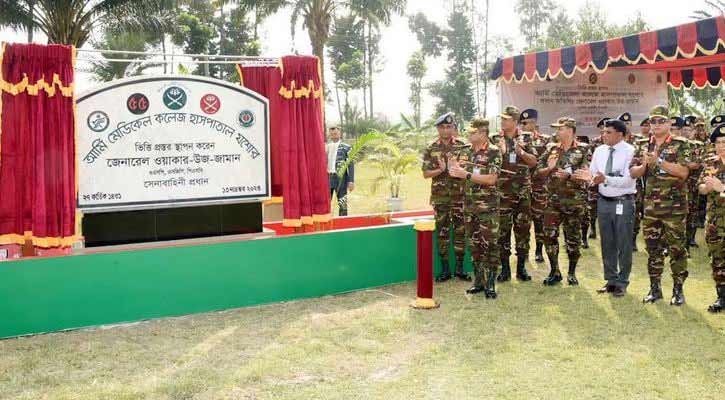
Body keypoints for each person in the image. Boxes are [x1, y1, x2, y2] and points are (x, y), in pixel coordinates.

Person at [630, 105, 691, 306]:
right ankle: (655, 288)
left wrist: (659, 162)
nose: (655, 125)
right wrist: (645, 165)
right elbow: (633, 173)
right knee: (653, 249)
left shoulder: (681, 144)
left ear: (669, 123)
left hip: (674, 209)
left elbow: (683, 172)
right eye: (652, 121)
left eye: (660, 121)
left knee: (677, 250)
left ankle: (678, 290)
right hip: (650, 208)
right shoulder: (641, 144)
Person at [448, 119, 502, 297]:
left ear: (483, 133)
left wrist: (467, 174)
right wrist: (452, 168)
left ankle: (491, 283)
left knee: (490, 245)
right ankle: (479, 281)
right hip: (469, 206)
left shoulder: (494, 152)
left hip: (488, 207)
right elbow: (455, 173)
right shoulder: (464, 151)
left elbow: (491, 179)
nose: (469, 135)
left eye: (472, 132)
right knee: (474, 244)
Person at [535, 117, 590, 286]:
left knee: (572, 239)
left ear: (571, 130)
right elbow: (538, 172)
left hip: (574, 202)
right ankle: (555, 271)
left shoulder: (583, 150)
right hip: (552, 201)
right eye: (556, 128)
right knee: (549, 235)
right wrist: (550, 168)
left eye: (560, 128)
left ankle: (572, 273)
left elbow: (586, 176)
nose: (557, 131)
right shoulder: (551, 148)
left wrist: (569, 176)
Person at [587, 119, 637, 297]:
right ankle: (611, 280)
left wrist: (606, 179)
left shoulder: (630, 151)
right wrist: (591, 178)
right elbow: (593, 171)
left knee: (623, 242)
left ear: (620, 135)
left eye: (608, 132)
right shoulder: (599, 151)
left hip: (623, 201)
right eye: (603, 132)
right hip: (603, 201)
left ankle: (622, 281)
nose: (604, 135)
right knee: (607, 242)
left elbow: (628, 180)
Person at [491, 105, 538, 282]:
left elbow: (533, 162)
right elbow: (489, 164)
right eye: (501, 118)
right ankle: (504, 269)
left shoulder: (526, 137)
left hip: (522, 193)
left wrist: (520, 151)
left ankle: (521, 268)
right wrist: (501, 153)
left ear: (515, 121)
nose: (502, 121)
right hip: (502, 193)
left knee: (523, 230)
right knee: (502, 231)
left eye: (506, 119)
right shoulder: (495, 139)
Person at [422, 112, 471, 282]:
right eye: (442, 127)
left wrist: (457, 167)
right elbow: (426, 173)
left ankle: (460, 268)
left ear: (453, 128)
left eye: (449, 126)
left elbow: (468, 169)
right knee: (442, 233)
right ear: (438, 128)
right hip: (440, 198)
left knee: (460, 231)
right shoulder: (431, 148)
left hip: (459, 197)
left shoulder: (463, 146)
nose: (446, 130)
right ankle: (444, 269)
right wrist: (441, 170)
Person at [698, 124, 725, 312]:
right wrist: (706, 188)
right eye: (719, 142)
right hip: (716, 221)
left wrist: (721, 188)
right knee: (718, 259)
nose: (722, 145)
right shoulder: (710, 163)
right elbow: (700, 187)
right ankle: (722, 296)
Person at [521, 108, 551, 263]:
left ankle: (539, 249)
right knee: (523, 220)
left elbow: (544, 161)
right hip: (520, 186)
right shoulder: (516, 140)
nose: (528, 125)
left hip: (539, 185)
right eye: (525, 123)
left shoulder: (545, 140)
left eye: (532, 122)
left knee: (539, 218)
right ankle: (523, 250)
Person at [583, 118, 609, 246]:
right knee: (592, 205)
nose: (604, 131)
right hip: (595, 178)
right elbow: (588, 160)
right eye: (602, 128)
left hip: (610, 179)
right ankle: (592, 228)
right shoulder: (594, 142)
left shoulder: (616, 143)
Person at [326, 126, 354, 216]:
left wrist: (351, 181)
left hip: (341, 178)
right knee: (326, 202)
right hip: (329, 177)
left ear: (339, 134)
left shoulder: (346, 147)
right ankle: (326, 222)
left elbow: (350, 165)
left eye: (336, 133)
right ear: (329, 135)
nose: (334, 135)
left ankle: (343, 222)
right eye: (332, 134)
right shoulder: (327, 147)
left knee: (342, 202)